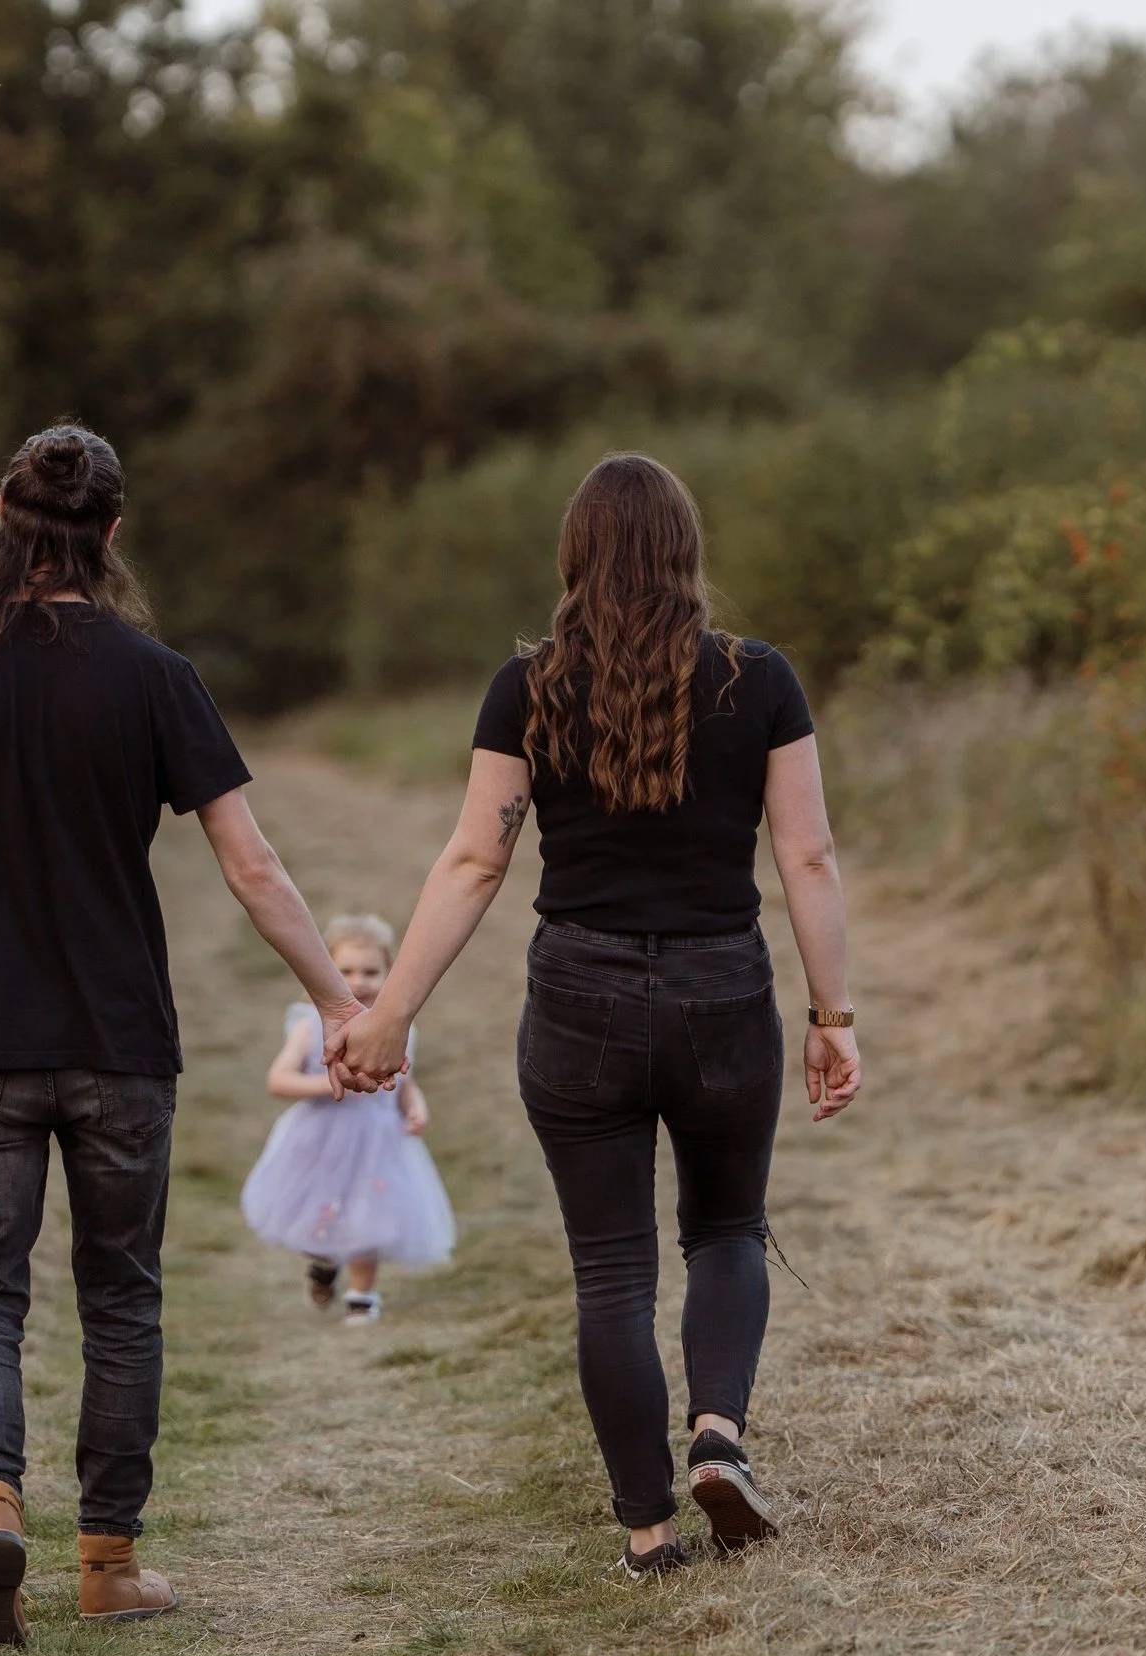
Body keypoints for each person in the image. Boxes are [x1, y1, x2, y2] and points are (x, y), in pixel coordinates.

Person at [0, 425, 364, 1648]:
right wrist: (347, 1006)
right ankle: (106, 1559)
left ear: (1, 513)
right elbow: (250, 866)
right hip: (119, 1042)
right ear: (113, 532)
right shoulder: (154, 676)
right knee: (120, 1299)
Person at [329, 452, 863, 1577]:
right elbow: (805, 853)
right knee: (725, 1227)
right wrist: (833, 1011)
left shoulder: (525, 688)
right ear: (686, 553)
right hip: (722, 987)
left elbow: (476, 857)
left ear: (574, 555)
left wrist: (389, 1019)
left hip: (578, 995)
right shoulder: (757, 679)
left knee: (611, 1270)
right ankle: (718, 1431)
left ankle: (648, 1528)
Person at [242, 914, 455, 1324]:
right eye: (346, 971)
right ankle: (323, 1261)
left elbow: (405, 1082)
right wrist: (330, 1084)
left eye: (371, 971)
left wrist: (415, 1106)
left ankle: (362, 1296)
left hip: (378, 1139)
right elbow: (278, 1079)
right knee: (322, 1213)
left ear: (390, 973)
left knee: (370, 1211)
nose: (358, 981)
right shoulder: (309, 1024)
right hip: (321, 1137)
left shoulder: (400, 1029)